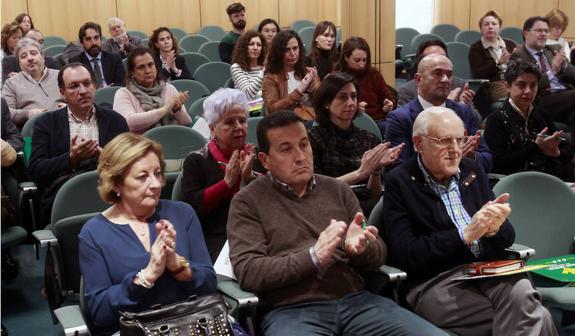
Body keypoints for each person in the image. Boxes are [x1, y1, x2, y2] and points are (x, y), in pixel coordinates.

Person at [227, 110, 445, 336]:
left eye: (304, 145)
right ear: (266, 160)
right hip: (290, 311)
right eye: (286, 149)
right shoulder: (247, 202)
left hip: (357, 303)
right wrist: (312, 257)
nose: (300, 156)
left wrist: (361, 249)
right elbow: (249, 271)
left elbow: (378, 254)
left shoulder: (337, 190)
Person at [383, 106, 557, 336]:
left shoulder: (471, 170)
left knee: (522, 293)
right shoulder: (400, 182)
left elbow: (508, 236)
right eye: (444, 140)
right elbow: (406, 254)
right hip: (434, 282)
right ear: (418, 143)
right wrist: (463, 235)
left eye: (459, 139)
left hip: (487, 271)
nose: (455, 149)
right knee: (537, 315)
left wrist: (495, 229)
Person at [79, 132, 216, 335]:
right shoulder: (93, 233)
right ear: (116, 184)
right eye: (142, 177)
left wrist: (176, 265)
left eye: (158, 173)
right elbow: (100, 312)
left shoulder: (182, 213)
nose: (155, 184)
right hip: (133, 330)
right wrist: (146, 276)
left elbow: (209, 284)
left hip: (189, 323)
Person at [29, 62, 128, 224]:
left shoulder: (115, 121)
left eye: (87, 84)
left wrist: (105, 158)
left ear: (94, 86)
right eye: (74, 86)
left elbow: (131, 166)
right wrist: (70, 158)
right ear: (62, 92)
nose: (83, 91)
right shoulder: (46, 124)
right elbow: (36, 170)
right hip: (67, 201)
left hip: (110, 197)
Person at [181, 88, 263, 261]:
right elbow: (191, 208)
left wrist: (249, 179)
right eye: (229, 122)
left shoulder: (256, 154)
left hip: (257, 231)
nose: (239, 127)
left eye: (242, 120)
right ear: (212, 128)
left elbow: (273, 197)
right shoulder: (196, 160)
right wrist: (226, 184)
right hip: (215, 237)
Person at [309, 72, 403, 215]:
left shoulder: (368, 138)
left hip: (365, 206)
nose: (351, 103)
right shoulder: (314, 139)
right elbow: (317, 190)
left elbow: (374, 194)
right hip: (329, 206)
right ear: (326, 103)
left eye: (353, 96)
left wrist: (376, 169)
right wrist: (360, 173)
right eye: (342, 97)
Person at [385, 54, 492, 173]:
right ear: (419, 79)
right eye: (438, 73)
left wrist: (471, 156)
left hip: (465, 185)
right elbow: (397, 169)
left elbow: (487, 160)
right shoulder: (400, 118)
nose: (445, 79)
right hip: (422, 189)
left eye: (449, 75)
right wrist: (450, 158)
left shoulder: (463, 112)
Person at [484, 60, 574, 180]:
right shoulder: (496, 119)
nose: (528, 91)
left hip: (548, 179)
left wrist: (556, 152)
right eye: (521, 85)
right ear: (508, 87)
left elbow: (567, 150)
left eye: (533, 86)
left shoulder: (542, 115)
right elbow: (498, 162)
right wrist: (536, 148)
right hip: (515, 183)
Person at [511, 16, 575, 145]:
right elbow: (528, 85)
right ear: (526, 33)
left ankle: (569, 160)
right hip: (542, 100)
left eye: (546, 31)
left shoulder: (552, 49)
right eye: (539, 30)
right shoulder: (519, 55)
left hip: (566, 98)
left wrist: (563, 67)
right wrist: (553, 72)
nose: (544, 34)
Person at [113, 47, 191, 134]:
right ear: (132, 73)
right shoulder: (124, 93)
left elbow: (186, 122)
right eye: (141, 67)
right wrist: (165, 109)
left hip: (172, 139)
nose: (148, 71)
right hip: (140, 145)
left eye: (150, 65)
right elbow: (128, 123)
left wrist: (176, 110)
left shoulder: (169, 88)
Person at [2, 38, 62, 127]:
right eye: (23, 56)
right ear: (19, 63)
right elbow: (5, 112)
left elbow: (79, 100)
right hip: (31, 133)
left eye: (33, 53)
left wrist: (69, 108)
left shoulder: (60, 76)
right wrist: (27, 114)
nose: (29, 58)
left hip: (65, 126)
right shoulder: (11, 83)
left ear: (42, 56)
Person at [397, 39, 476, 107]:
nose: (438, 60)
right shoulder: (407, 90)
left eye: (442, 57)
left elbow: (477, 121)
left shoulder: (460, 84)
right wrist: (447, 105)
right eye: (432, 57)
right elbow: (410, 122)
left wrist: (467, 107)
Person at [263, 30, 320, 120]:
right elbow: (272, 110)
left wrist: (316, 83)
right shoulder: (270, 78)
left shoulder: (307, 72)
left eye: (295, 48)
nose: (293, 54)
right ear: (278, 52)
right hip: (285, 124)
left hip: (310, 120)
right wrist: (299, 91)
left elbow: (321, 101)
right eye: (287, 50)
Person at [336, 36, 396, 123]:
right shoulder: (336, 76)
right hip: (349, 122)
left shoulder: (374, 74)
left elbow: (389, 99)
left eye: (364, 60)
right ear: (346, 57)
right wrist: (354, 108)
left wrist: (389, 105)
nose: (361, 65)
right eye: (357, 60)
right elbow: (332, 106)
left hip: (378, 121)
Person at [469, 10, 518, 112]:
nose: (490, 27)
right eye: (486, 24)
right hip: (492, 85)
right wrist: (498, 63)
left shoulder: (510, 44)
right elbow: (478, 73)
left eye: (494, 24)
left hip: (512, 81)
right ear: (481, 29)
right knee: (516, 96)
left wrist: (517, 59)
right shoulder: (476, 48)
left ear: (499, 27)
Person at [70, 22, 125, 88]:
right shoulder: (75, 64)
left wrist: (107, 91)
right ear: (82, 43)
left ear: (101, 39)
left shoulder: (114, 59)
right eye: (88, 39)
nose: (93, 43)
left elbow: (120, 84)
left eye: (96, 38)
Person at [230, 31, 266, 102]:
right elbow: (247, 95)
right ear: (244, 47)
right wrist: (264, 71)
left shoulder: (264, 67)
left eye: (259, 45)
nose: (255, 48)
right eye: (251, 44)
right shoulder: (236, 67)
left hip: (267, 107)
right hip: (247, 109)